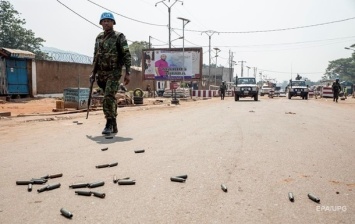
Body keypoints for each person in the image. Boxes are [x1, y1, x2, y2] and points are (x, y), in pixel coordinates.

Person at [91, 12, 131, 135]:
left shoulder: (119, 37)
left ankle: (108, 123)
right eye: (104, 21)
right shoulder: (99, 37)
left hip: (114, 72)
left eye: (109, 20)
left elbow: (126, 54)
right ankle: (114, 122)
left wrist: (127, 72)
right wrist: (93, 73)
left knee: (108, 96)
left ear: (113, 23)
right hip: (101, 73)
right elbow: (95, 56)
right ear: (101, 23)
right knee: (110, 98)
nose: (106, 23)